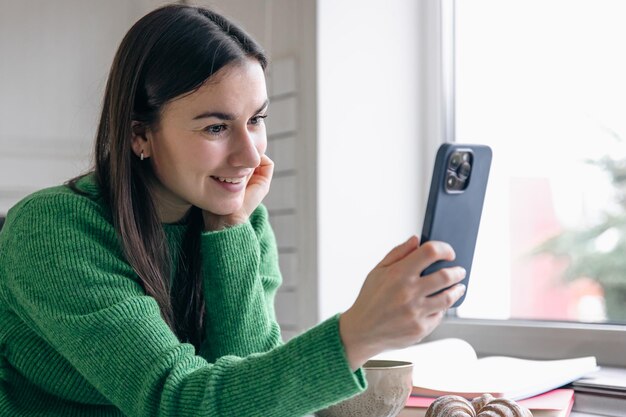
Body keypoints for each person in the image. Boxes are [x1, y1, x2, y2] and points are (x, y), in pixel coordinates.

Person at [0, 4, 466, 416]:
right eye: (216, 127)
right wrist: (357, 335)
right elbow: (179, 400)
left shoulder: (235, 218)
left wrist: (229, 226)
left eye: (256, 120)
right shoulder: (52, 230)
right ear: (139, 134)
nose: (250, 155)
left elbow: (250, 394)